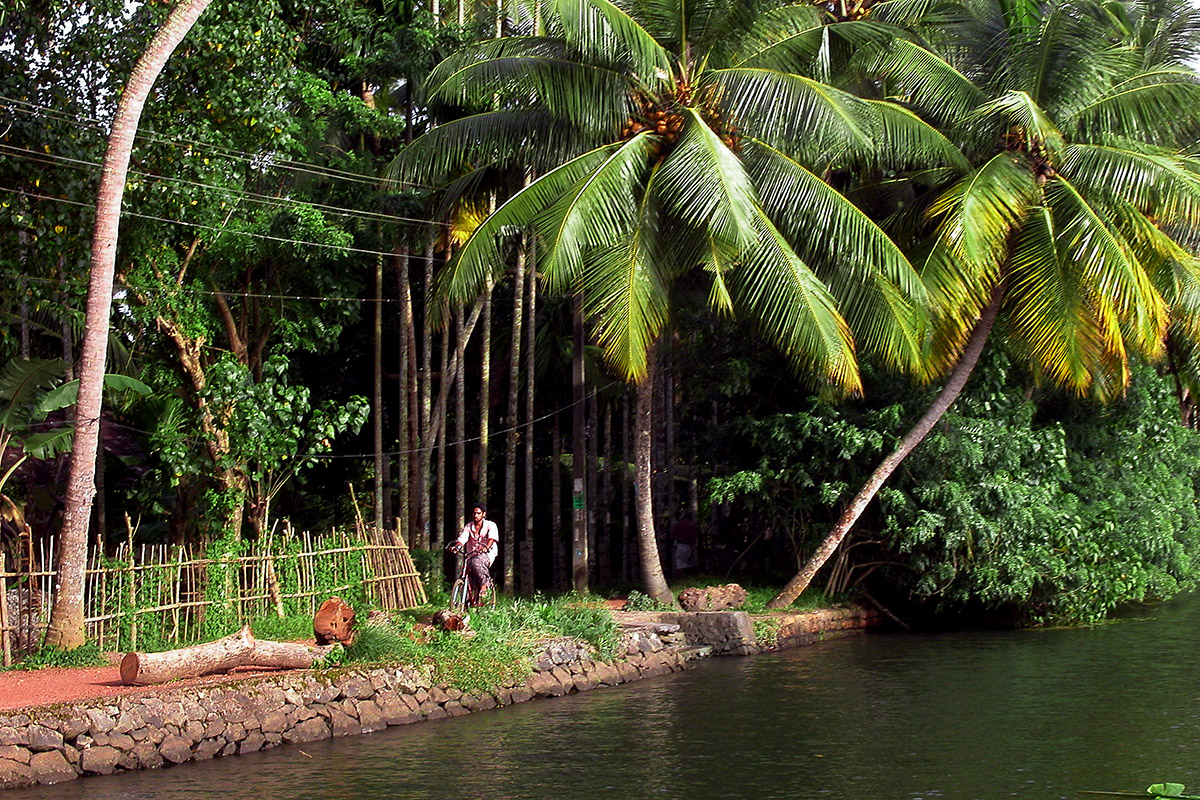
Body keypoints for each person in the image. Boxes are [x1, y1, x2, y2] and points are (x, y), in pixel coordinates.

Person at [447, 503, 499, 606]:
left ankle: (485, 584)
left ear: (483, 514)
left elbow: (492, 538)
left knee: (477, 562)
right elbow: (463, 538)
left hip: (487, 554)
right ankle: (465, 603)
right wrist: (457, 547)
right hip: (472, 554)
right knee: (467, 572)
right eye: (474, 513)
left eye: (478, 513)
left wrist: (486, 547)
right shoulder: (469, 526)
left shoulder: (490, 525)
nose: (476, 516)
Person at [671, 510, 700, 577]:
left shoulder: (678, 525)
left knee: (679, 562)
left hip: (680, 545)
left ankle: (680, 577)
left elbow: (672, 535)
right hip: (689, 545)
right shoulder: (693, 526)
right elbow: (693, 538)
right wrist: (693, 548)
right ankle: (692, 576)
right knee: (691, 561)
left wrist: (672, 544)